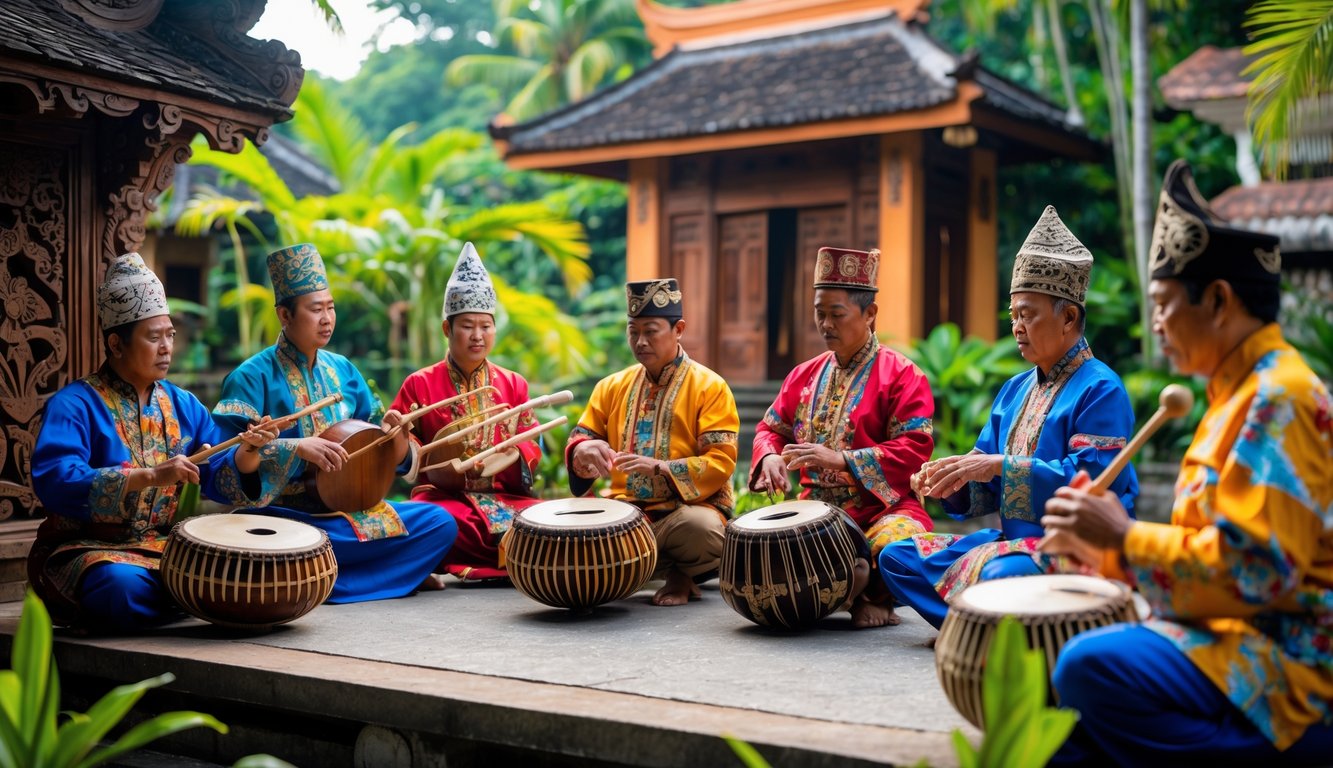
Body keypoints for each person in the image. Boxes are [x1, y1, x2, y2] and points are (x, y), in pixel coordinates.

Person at [1041, 160, 1333, 765]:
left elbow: (1256, 573)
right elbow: (1207, 545)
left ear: (1219, 300)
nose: (1155, 325)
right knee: (1059, 729)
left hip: (1292, 660)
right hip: (1231, 628)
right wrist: (1102, 548)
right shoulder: (1237, 394)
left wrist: (1124, 537)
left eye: (1164, 305)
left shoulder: (1278, 398)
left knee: (1086, 665)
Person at [879, 206, 1138, 629]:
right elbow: (983, 479)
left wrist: (999, 465)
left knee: (998, 576)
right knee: (898, 557)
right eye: (1014, 314)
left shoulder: (1101, 389)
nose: (1017, 326)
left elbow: (1093, 486)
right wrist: (951, 482)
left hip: (1074, 548)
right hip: (1010, 542)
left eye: (1028, 314)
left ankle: (979, 624)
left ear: (1068, 317)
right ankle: (983, 625)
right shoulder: (1015, 389)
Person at [28, 254, 287, 631]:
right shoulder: (74, 405)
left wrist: (248, 453)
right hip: (93, 551)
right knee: (117, 588)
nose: (166, 347)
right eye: (154, 337)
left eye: (170, 335)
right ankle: (196, 599)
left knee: (251, 567)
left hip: (168, 548)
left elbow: (218, 473)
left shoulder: (184, 405)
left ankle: (191, 596)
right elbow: (57, 481)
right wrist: (149, 476)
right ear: (116, 344)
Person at [213, 243, 458, 603]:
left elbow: (382, 450)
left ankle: (316, 580)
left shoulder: (343, 370)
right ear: (285, 314)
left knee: (440, 523)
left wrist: (397, 437)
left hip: (350, 514)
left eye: (330, 307)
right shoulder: (250, 377)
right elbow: (222, 470)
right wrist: (296, 448)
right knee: (273, 544)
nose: (327, 318)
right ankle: (388, 575)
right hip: (288, 518)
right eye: (316, 309)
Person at [750, 246, 936, 629]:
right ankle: (852, 583)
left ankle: (874, 596)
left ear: (870, 313)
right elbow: (770, 429)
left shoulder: (903, 375)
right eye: (819, 313)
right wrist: (769, 456)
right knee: (759, 547)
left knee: (896, 546)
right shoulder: (803, 375)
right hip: (816, 512)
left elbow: (915, 449)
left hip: (882, 511)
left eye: (837, 314)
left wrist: (843, 460)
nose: (825, 324)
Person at [566, 278, 739, 606]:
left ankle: (678, 573)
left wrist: (661, 468)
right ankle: (648, 569)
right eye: (633, 331)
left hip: (682, 517)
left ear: (679, 329)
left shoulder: (710, 387)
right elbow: (581, 438)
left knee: (703, 529)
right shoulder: (610, 387)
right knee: (569, 534)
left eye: (651, 331)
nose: (641, 341)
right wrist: (582, 451)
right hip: (622, 516)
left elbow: (720, 461)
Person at [390, 243, 544, 581]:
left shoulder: (514, 383)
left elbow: (533, 442)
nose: (477, 336)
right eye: (467, 326)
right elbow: (406, 458)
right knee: (433, 522)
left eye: (485, 326)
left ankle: (456, 559)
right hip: (447, 500)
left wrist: (514, 453)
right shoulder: (419, 383)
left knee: (546, 521)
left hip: (504, 497)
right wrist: (399, 438)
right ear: (447, 329)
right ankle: (514, 562)